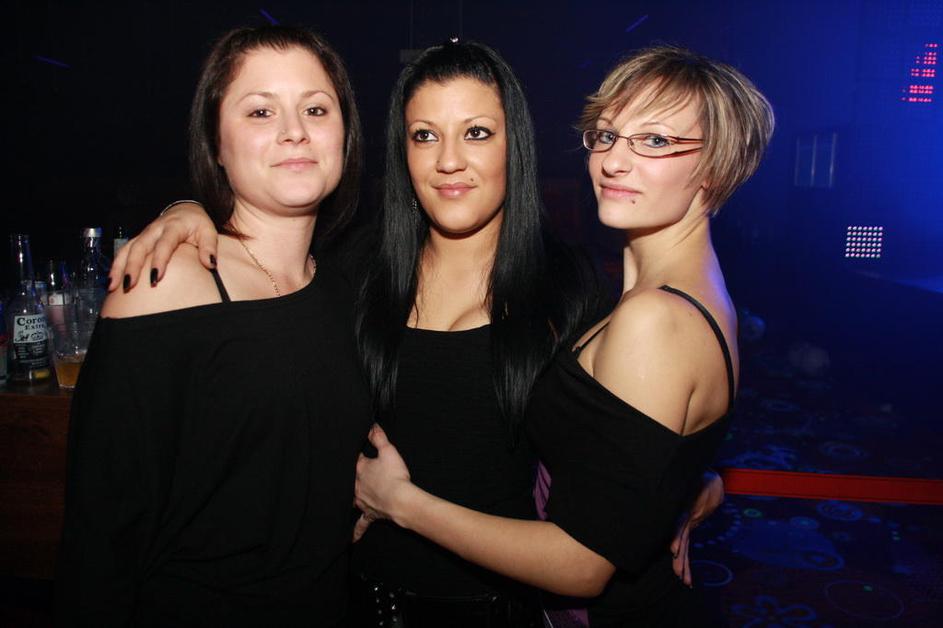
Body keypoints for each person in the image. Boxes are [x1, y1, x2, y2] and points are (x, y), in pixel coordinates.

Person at [108, 41, 726, 627]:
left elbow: (631, 435)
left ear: (515, 145)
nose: (448, 160)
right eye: (424, 135)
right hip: (358, 603)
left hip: (508, 614)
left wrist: (684, 486)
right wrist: (189, 210)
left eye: (477, 133)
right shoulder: (351, 274)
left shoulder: (573, 291)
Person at [353, 45, 773, 627]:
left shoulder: (620, 306)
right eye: (606, 136)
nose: (614, 162)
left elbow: (582, 562)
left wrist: (400, 502)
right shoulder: (359, 273)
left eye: (654, 141)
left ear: (717, 167)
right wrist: (680, 482)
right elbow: (631, 440)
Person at [55, 25, 371, 627]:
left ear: (346, 134)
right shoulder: (164, 283)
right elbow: (101, 536)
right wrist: (184, 205)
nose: (294, 130)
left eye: (315, 109)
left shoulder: (345, 284)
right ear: (217, 145)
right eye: (260, 111)